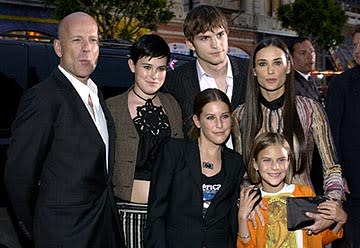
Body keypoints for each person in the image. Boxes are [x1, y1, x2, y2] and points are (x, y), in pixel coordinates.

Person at [4, 12, 124, 248]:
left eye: (93, 40)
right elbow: (18, 177)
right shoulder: (43, 98)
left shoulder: (96, 94)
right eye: (77, 40)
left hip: (102, 230)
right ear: (58, 47)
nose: (87, 48)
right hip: (63, 235)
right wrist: (42, 228)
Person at [232, 37, 344, 233]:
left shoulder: (310, 110)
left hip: (305, 215)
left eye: (277, 63)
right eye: (262, 64)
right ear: (253, 70)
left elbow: (331, 168)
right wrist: (246, 201)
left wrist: (330, 208)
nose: (270, 71)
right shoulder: (241, 116)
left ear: (289, 66)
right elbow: (243, 173)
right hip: (260, 217)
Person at [106, 34, 183, 248]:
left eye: (161, 69)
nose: (154, 76)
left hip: (168, 215)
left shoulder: (172, 105)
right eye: (147, 67)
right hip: (127, 214)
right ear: (132, 65)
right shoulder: (112, 107)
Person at [145, 88, 246, 248]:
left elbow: (231, 219)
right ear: (197, 121)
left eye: (224, 116)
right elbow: (156, 213)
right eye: (210, 117)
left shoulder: (235, 162)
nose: (219, 125)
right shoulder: (174, 152)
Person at [237, 132, 347, 248]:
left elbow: (319, 238)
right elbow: (247, 245)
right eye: (267, 160)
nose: (275, 167)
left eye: (281, 160)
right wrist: (242, 218)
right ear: (255, 164)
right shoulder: (252, 201)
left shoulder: (304, 193)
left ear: (288, 162)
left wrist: (340, 221)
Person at [163, 5, 248, 144]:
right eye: (205, 38)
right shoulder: (174, 81)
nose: (216, 44)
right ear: (190, 44)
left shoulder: (250, 73)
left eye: (220, 35)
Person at [326, 25, 360, 248]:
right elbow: (331, 136)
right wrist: (338, 176)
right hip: (353, 187)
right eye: (355, 45)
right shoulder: (341, 84)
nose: (357, 50)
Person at [288, 37, 322, 103]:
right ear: (291, 57)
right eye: (303, 53)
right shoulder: (290, 84)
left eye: (312, 52)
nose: (310, 57)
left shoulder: (309, 79)